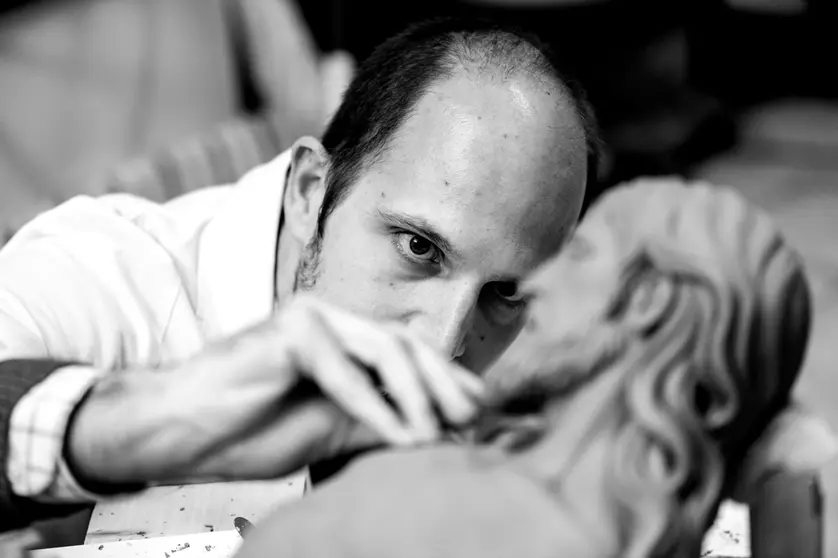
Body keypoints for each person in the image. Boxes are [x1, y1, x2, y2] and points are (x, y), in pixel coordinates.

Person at [0, 17, 599, 529]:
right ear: (311, 190)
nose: (444, 344)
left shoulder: (550, 363)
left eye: (505, 293)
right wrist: (130, 429)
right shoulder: (100, 275)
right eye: (419, 247)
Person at [235, 178, 836, 558]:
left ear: (647, 302)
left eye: (579, 256)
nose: (541, 286)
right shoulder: (660, 528)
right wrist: (784, 464)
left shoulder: (393, 512)